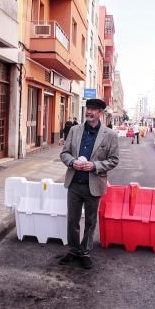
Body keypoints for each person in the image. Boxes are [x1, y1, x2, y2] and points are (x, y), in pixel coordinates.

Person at [59, 98, 120, 269]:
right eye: (88, 108)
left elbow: (114, 160)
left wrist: (95, 166)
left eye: (93, 109)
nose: (89, 112)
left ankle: (85, 252)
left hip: (94, 184)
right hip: (74, 183)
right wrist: (72, 162)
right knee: (72, 220)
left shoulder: (110, 135)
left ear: (100, 113)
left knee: (91, 221)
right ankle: (73, 250)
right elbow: (64, 153)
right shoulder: (74, 130)